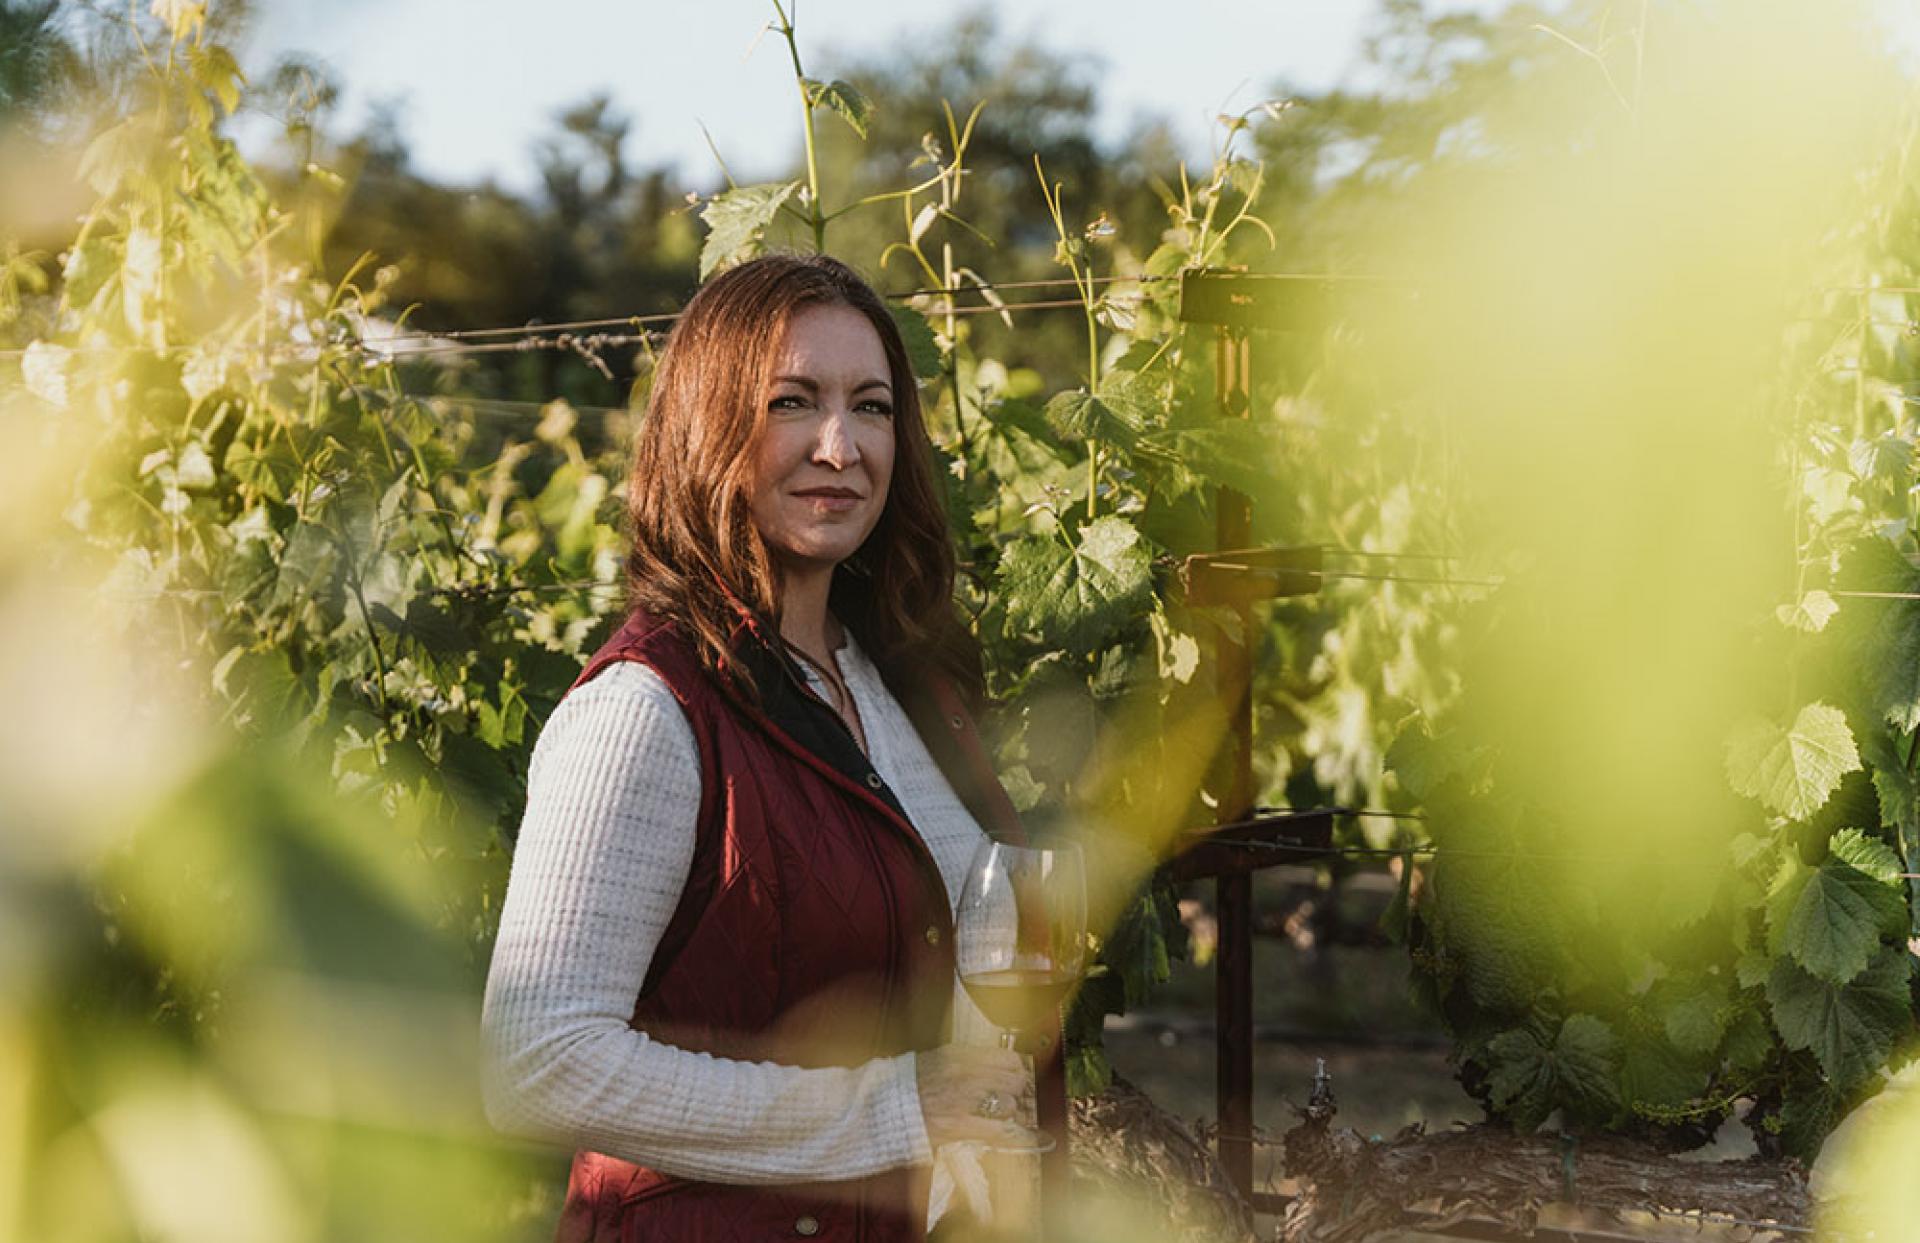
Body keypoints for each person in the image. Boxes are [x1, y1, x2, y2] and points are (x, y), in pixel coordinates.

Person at [481, 253, 1063, 1243]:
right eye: (793, 401)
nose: (841, 446)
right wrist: (886, 1112)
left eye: (872, 407)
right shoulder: (645, 708)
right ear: (712, 426)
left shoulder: (892, 686)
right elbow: (537, 1062)